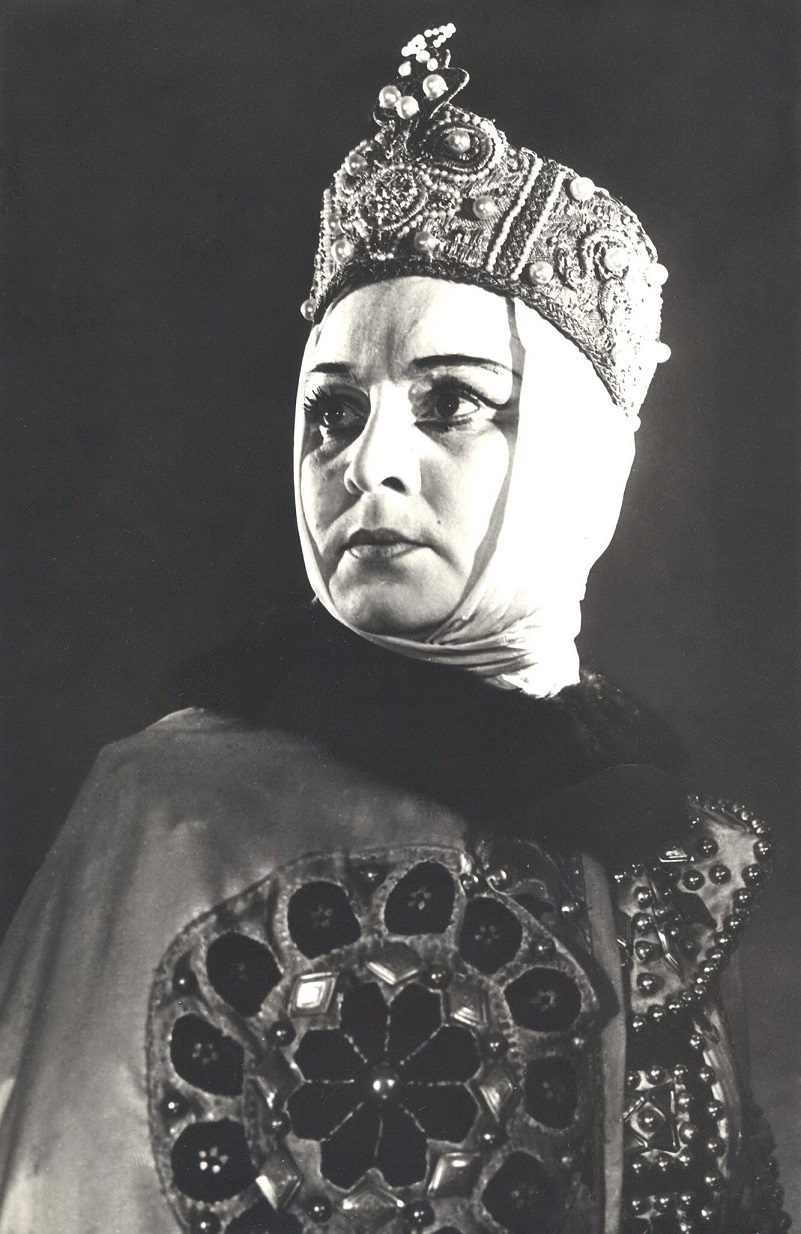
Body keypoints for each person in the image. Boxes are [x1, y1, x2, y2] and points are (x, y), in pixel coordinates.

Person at [0, 25, 788, 1234]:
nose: (368, 464)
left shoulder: (666, 842)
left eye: (452, 401)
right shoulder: (167, 811)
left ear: (587, 454)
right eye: (331, 413)